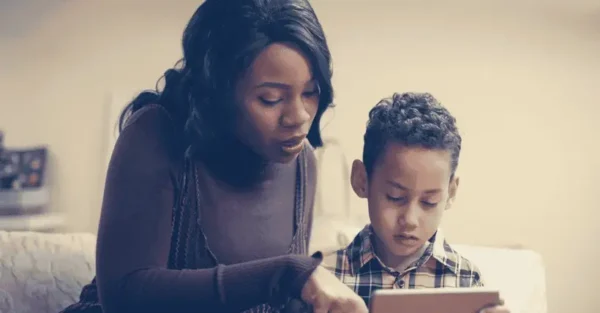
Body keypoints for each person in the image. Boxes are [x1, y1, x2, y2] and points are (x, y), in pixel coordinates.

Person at [59, 1, 367, 313]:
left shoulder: (304, 165)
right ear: (218, 94)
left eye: (311, 92)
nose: (299, 116)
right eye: (270, 99)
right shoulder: (155, 134)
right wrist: (284, 274)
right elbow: (125, 295)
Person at [321, 92, 510, 313]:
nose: (410, 220)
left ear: (450, 192)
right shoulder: (324, 278)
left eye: (429, 202)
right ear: (362, 180)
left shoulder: (466, 280)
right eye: (395, 197)